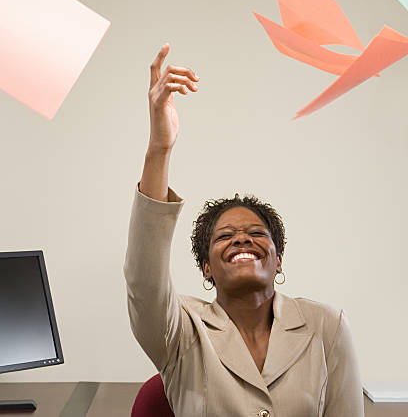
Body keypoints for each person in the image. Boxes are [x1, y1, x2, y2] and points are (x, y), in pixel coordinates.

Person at [124, 43, 364, 417]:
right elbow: (144, 280)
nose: (241, 238)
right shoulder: (181, 329)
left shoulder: (327, 327)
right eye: (224, 236)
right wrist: (160, 148)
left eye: (256, 233)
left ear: (278, 259)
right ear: (206, 267)